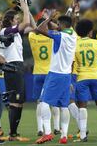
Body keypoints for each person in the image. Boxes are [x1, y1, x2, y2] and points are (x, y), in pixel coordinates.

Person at [35, 13, 77, 144]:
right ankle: (64, 135)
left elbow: (40, 29)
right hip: (66, 75)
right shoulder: (73, 36)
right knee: (64, 106)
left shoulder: (60, 36)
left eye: (58, 24)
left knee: (44, 102)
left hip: (55, 73)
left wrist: (48, 18)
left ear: (61, 26)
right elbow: (65, 25)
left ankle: (47, 133)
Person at [0, 0, 33, 141]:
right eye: (16, 18)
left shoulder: (15, 32)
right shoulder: (6, 31)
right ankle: (12, 135)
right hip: (12, 67)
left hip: (17, 66)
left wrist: (27, 10)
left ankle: (14, 133)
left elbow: (31, 25)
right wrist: (23, 5)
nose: (18, 20)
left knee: (19, 101)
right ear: (11, 20)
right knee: (15, 100)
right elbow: (25, 23)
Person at [73, 19, 97, 142]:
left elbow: (73, 62)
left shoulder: (75, 44)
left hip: (82, 77)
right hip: (96, 76)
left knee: (82, 105)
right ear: (90, 32)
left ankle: (83, 134)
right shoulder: (96, 43)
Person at [28, 18, 53, 137]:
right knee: (50, 101)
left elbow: (34, 28)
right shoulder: (51, 37)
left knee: (39, 101)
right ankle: (55, 127)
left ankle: (40, 128)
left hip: (37, 72)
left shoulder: (33, 37)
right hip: (50, 73)